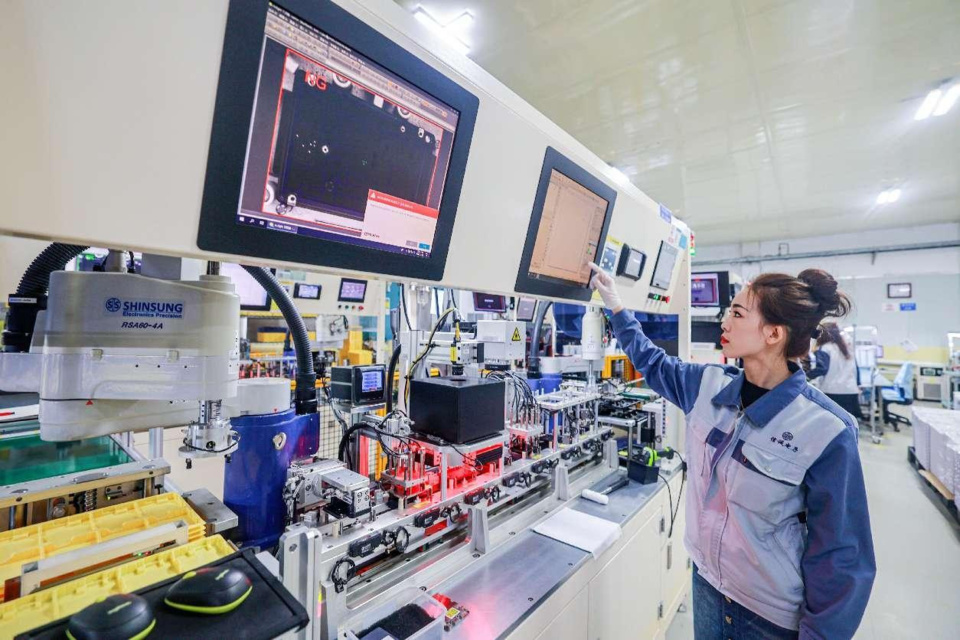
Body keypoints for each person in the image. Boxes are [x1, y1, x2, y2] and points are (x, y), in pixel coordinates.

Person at [589, 264, 875, 640]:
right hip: (707, 585)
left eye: (737, 313)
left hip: (768, 615)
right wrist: (616, 306)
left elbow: (841, 555)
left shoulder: (827, 430)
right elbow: (653, 363)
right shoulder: (707, 385)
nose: (724, 321)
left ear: (773, 333)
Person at [808, 322, 864, 423]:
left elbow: (822, 368)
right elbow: (856, 368)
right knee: (848, 424)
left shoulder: (825, 348)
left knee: (832, 425)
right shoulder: (847, 349)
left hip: (832, 392)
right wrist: (858, 385)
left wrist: (805, 376)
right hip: (850, 391)